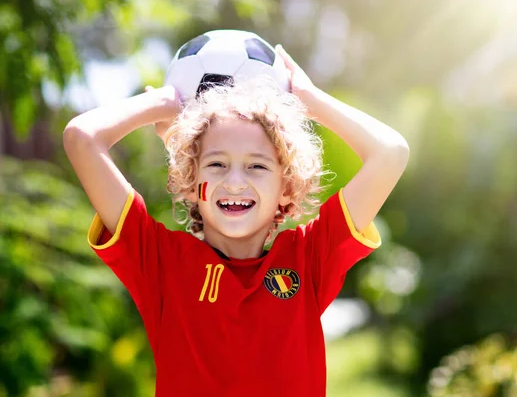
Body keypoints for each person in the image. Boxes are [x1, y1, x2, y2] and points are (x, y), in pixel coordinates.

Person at [63, 44, 409, 396]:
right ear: (190, 182)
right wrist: (167, 102)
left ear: (286, 188)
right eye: (216, 164)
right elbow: (82, 138)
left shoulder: (310, 257)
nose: (234, 181)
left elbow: (391, 153)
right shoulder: (159, 261)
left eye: (257, 166)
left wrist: (310, 99)